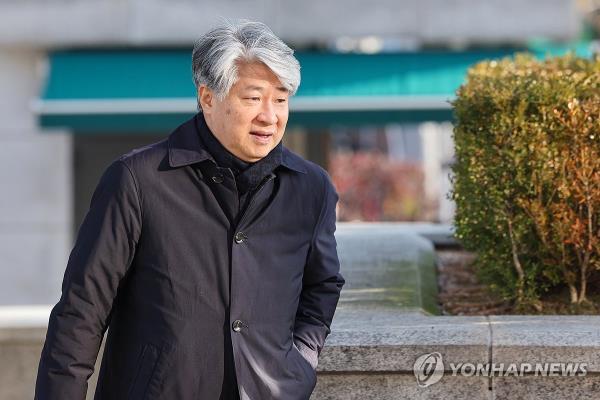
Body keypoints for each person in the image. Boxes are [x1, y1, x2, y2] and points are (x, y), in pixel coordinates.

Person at [34, 20, 345, 400]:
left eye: (280, 99)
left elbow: (322, 284)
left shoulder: (310, 188)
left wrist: (299, 360)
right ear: (208, 97)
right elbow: (81, 312)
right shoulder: (137, 181)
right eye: (253, 98)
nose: (270, 115)